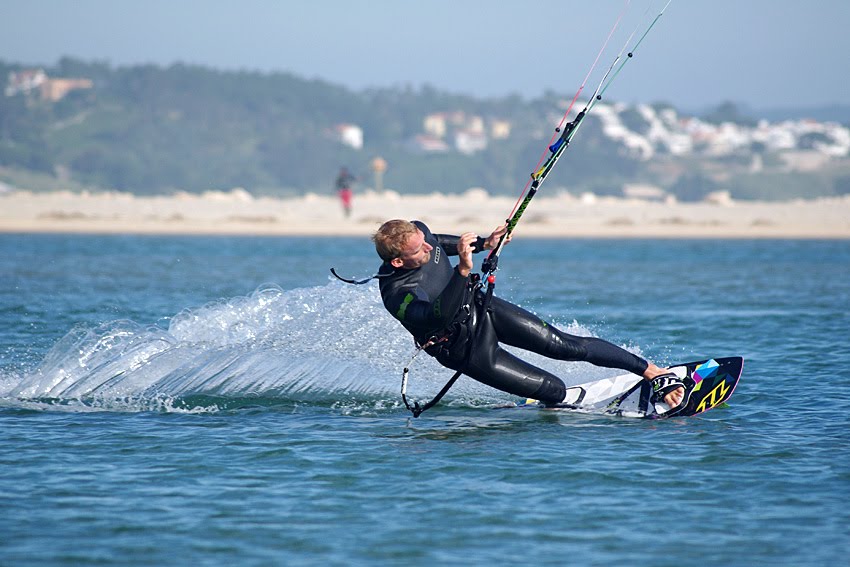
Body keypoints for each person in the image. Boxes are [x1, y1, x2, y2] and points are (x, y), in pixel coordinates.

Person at [371, 219, 685, 408]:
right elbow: (436, 316)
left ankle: (652, 372)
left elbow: (439, 244)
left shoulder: (421, 237)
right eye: (418, 250)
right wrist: (463, 271)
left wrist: (484, 243)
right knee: (555, 390)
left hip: (482, 309)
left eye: (423, 241)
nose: (427, 249)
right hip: (463, 348)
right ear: (398, 262)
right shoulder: (397, 293)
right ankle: (542, 400)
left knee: (565, 346)